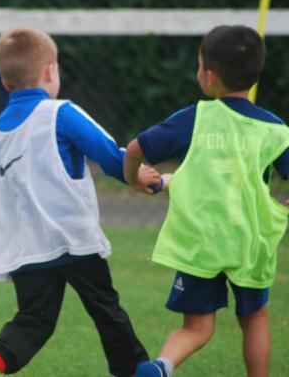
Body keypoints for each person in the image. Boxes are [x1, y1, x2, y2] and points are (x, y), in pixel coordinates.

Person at [0, 27, 161, 377]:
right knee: (105, 309)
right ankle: (134, 370)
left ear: (6, 83)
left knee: (34, 320)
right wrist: (143, 177)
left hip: (27, 247)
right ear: (51, 71)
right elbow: (110, 156)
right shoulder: (61, 112)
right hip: (73, 240)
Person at [124, 25, 289, 377]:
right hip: (250, 242)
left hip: (202, 242)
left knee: (197, 328)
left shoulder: (194, 119)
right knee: (255, 318)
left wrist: (135, 178)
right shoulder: (276, 130)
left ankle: (162, 366)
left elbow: (136, 149)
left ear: (209, 76)